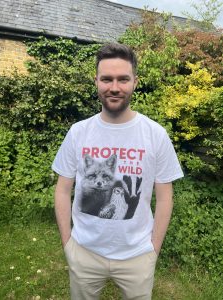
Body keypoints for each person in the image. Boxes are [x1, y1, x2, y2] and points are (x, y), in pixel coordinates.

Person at [52, 43, 184, 300]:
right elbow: (63, 188)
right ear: (96, 81)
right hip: (84, 250)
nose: (114, 87)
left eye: (123, 79)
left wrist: (153, 250)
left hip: (138, 255)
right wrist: (68, 242)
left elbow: (166, 197)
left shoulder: (155, 134)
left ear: (135, 81)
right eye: (107, 79)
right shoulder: (79, 132)